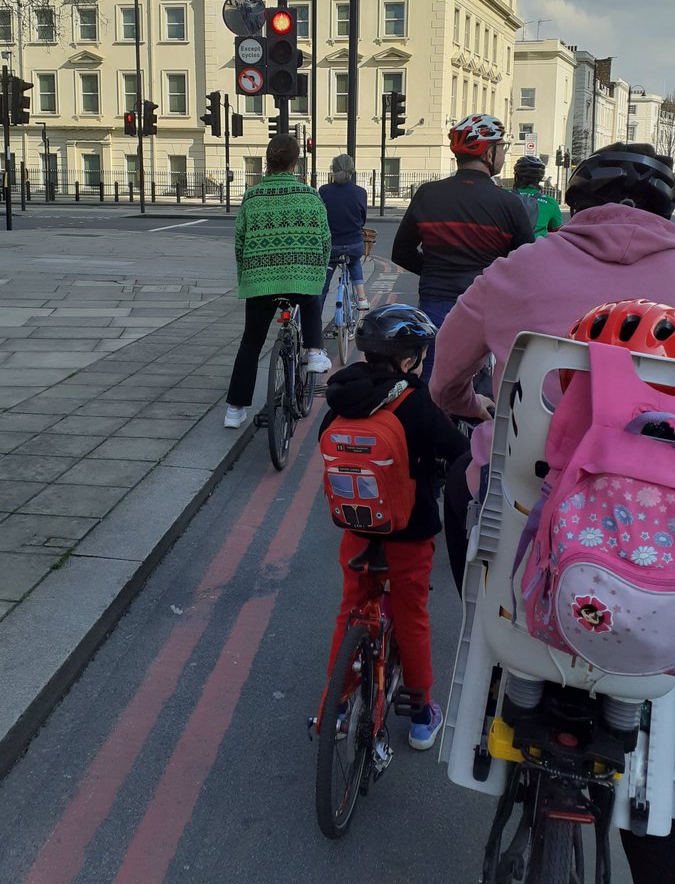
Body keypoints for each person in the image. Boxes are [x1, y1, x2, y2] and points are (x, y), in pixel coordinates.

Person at [428, 141, 675, 884]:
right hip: (658, 545)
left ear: (573, 201)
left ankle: (501, 634)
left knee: (460, 490)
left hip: (524, 528)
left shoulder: (519, 269)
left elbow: (445, 380)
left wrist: (478, 413)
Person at [321, 305, 469, 750]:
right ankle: (423, 714)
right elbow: (456, 448)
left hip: (358, 529)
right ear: (407, 361)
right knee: (411, 616)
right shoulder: (413, 400)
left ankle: (338, 704)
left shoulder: (343, 398)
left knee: (351, 609)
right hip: (409, 531)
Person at [391, 113, 534, 383]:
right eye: (502, 147)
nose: (503, 153)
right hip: (487, 306)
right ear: (488, 153)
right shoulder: (508, 203)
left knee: (434, 384)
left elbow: (401, 252)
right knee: (487, 388)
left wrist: (434, 271)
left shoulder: (427, 193)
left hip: (436, 303)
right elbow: (526, 264)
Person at [224, 134, 332, 429]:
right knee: (311, 297)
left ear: (268, 162)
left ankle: (234, 410)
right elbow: (325, 243)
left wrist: (246, 278)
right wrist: (317, 273)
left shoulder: (252, 197)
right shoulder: (310, 197)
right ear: (296, 163)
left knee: (250, 343)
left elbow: (240, 243)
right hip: (301, 281)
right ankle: (313, 352)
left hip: (260, 284)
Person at [318, 153, 369, 312]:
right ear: (352, 170)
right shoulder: (360, 192)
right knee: (354, 262)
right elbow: (362, 219)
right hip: (354, 244)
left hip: (331, 245)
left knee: (326, 273)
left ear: (333, 170)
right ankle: (362, 299)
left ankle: (316, 312)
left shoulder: (324, 191)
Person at [512, 154, 564, 237]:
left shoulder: (503, 196)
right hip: (537, 248)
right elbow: (558, 232)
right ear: (540, 178)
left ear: (516, 176)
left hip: (507, 248)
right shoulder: (550, 202)